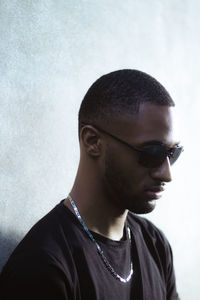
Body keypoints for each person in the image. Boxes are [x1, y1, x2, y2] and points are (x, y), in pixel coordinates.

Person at [0, 69, 182, 300]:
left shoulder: (154, 244)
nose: (167, 174)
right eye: (152, 153)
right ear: (92, 141)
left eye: (173, 153)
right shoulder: (42, 266)